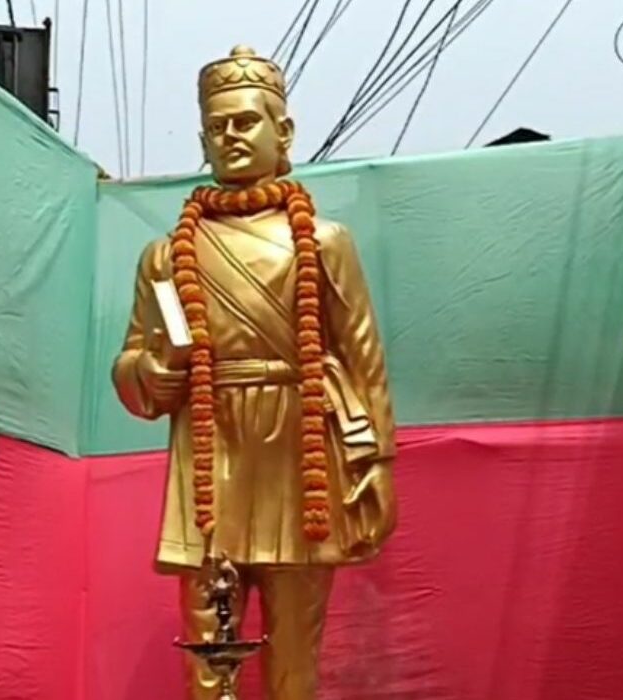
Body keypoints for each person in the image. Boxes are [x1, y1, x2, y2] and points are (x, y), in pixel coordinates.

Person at [111, 45, 398, 700]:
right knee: (206, 653)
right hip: (209, 450)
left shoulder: (322, 241)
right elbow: (130, 369)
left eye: (245, 121)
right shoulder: (167, 256)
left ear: (283, 131)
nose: (230, 136)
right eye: (216, 127)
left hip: (302, 449)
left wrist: (379, 462)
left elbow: (364, 358)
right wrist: (155, 368)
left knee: (296, 654)